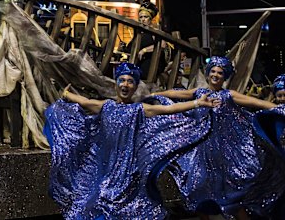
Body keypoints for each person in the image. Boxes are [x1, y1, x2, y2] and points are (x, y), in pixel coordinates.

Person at [43, 62, 219, 220]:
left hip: (129, 173)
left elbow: (169, 108)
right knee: (92, 207)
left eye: (130, 81)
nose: (125, 84)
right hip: (104, 172)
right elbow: (85, 101)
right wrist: (67, 94)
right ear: (116, 83)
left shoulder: (139, 110)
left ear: (135, 87)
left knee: (132, 210)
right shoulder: (106, 106)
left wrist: (197, 104)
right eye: (122, 80)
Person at [153, 56, 285, 219]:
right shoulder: (200, 93)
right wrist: (154, 94)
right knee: (198, 193)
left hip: (226, 156)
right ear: (208, 74)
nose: (215, 75)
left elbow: (256, 103)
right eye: (213, 71)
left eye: (220, 73)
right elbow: (177, 93)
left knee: (233, 199)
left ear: (224, 77)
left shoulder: (229, 95)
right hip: (202, 154)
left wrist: (278, 108)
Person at [136, 1, 167, 82]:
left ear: (150, 18)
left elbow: (163, 45)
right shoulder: (139, 32)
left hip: (152, 62)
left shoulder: (154, 30)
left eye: (145, 17)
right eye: (141, 17)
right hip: (140, 61)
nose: (143, 19)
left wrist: (145, 50)